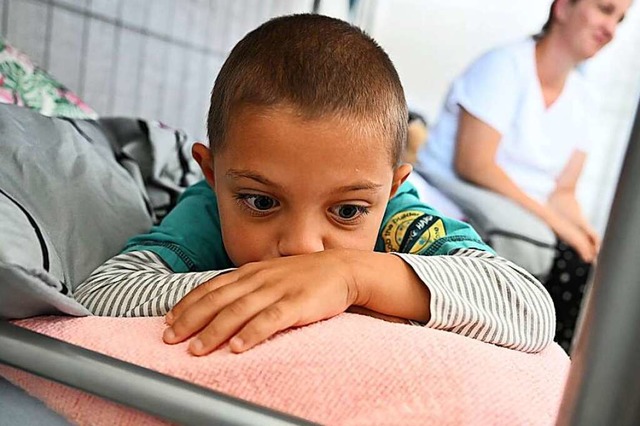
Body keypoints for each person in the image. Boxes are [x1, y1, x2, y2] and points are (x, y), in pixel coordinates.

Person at [75, 14, 554, 356]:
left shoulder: (398, 218)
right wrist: (268, 289)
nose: (303, 247)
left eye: (346, 211)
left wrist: (353, 278)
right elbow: (101, 294)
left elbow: (529, 309)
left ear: (391, 190)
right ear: (213, 175)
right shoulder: (208, 210)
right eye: (262, 202)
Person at [416, 0, 631, 352]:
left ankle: (557, 374)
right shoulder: (504, 66)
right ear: (562, 8)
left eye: (620, 20)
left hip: (526, 214)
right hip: (460, 192)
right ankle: (534, 356)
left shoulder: (582, 101)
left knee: (591, 266)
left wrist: (588, 236)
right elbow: (475, 163)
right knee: (562, 256)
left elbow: (563, 192)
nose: (612, 29)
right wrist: (557, 226)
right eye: (605, 10)